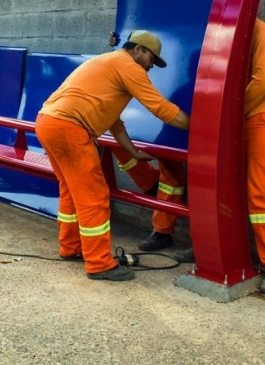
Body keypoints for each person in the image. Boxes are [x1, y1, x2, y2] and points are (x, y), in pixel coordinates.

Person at [134, 19, 265, 294]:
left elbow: (262, 83)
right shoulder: (214, 32)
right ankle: (208, 251)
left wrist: (226, 116)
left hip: (257, 117)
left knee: (262, 191)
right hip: (221, 119)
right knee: (214, 189)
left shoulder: (259, 30)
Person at [35, 30, 190, 282]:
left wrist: (131, 152)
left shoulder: (108, 63)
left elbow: (113, 120)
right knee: (94, 197)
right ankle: (99, 263)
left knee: (71, 190)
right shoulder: (127, 66)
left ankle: (71, 247)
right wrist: (201, 127)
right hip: (70, 128)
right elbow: (161, 108)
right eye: (152, 58)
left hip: (48, 122)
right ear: (138, 49)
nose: (152, 65)